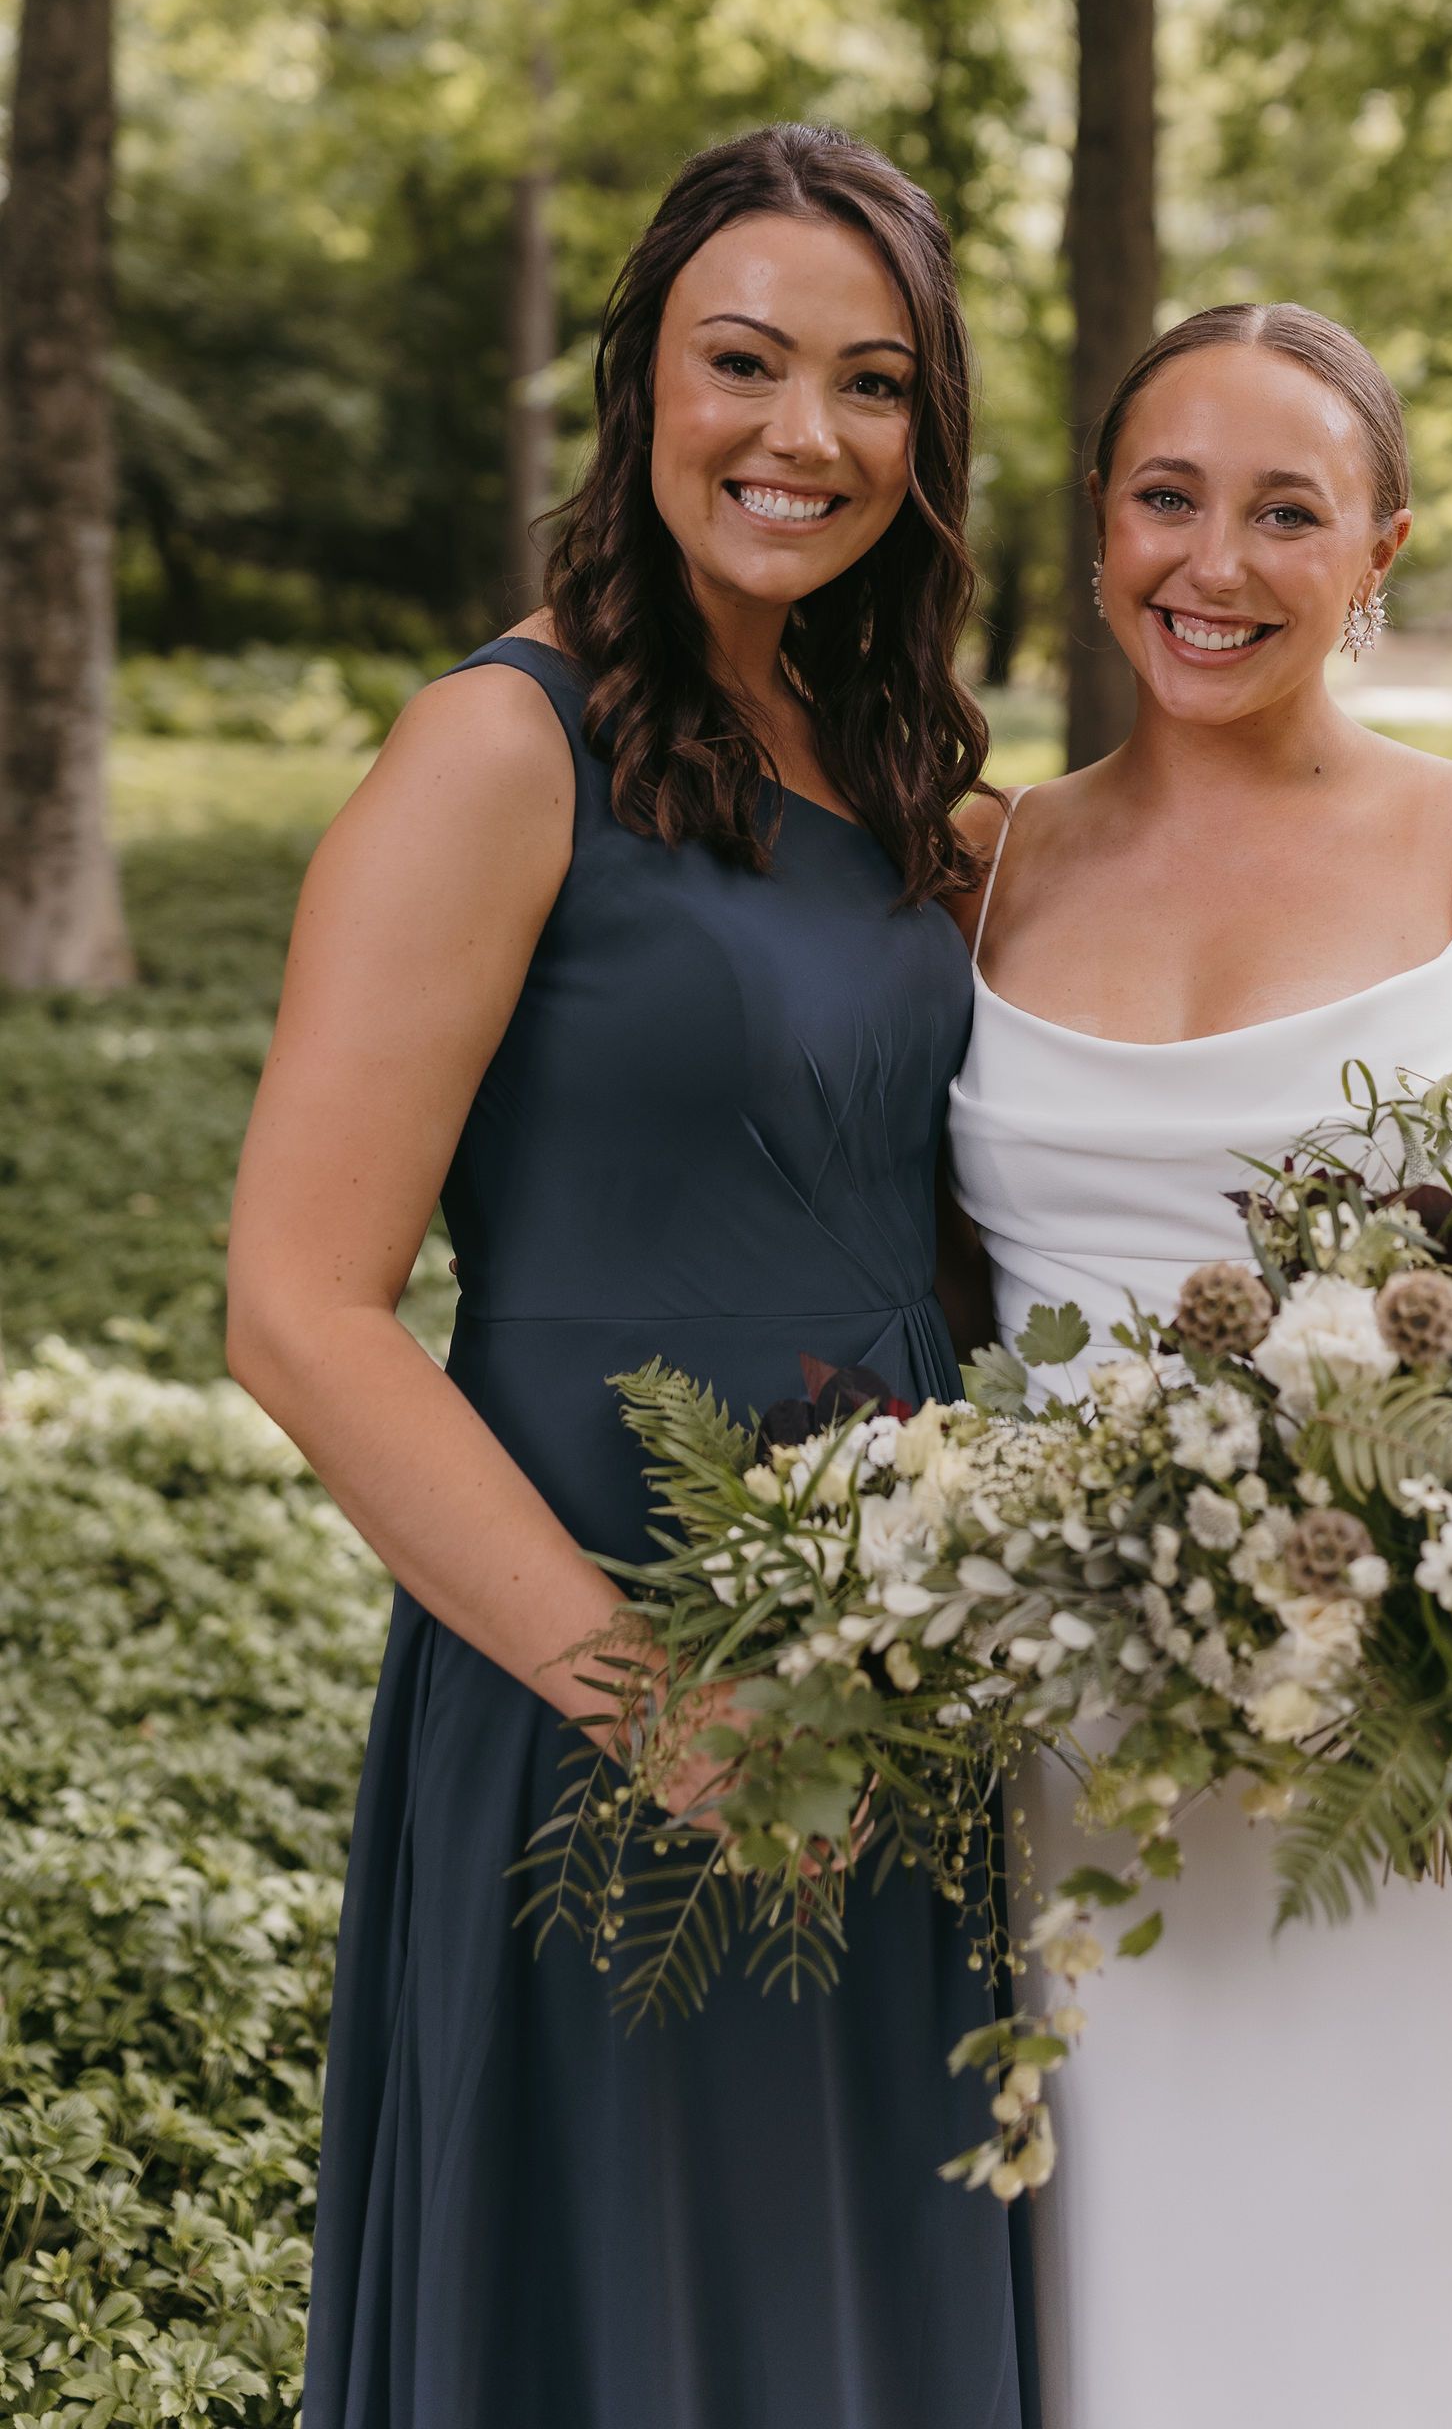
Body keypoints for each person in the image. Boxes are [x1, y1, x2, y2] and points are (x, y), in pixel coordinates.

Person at [228, 125, 1034, 2429]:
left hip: (898, 1670)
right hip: (603, 1659)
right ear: (639, 388)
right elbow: (297, 1302)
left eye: (871, 384)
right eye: (744, 363)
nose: (803, 434)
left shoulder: (902, 779)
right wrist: (660, 1704)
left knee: (855, 2304)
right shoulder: (501, 747)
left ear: (927, 438)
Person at [947, 301, 1452, 2429]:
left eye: (1286, 511)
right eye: (1165, 498)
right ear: (1095, 524)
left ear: (1379, 550)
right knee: (1146, 2272)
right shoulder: (982, 863)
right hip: (1087, 1733)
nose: (1215, 564)